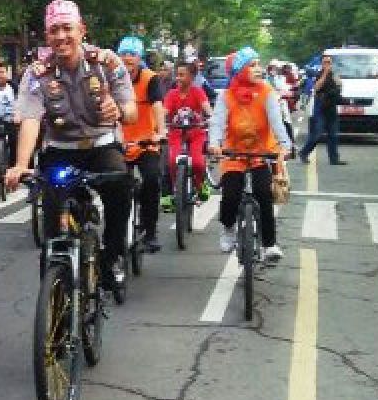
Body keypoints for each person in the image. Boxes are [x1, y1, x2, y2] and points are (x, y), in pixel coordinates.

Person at [4, 0, 137, 290]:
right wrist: (21, 165)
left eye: (67, 29)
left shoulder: (107, 63)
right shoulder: (37, 72)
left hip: (101, 144)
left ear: (82, 30)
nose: (61, 36)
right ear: (47, 35)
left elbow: (131, 110)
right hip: (60, 151)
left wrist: (119, 111)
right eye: (54, 30)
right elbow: (30, 119)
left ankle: (113, 257)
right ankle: (56, 300)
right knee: (52, 232)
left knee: (121, 188)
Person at [208, 48, 292, 262]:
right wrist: (214, 143)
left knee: (264, 193)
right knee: (230, 195)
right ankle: (228, 228)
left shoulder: (267, 93)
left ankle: (269, 244)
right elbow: (217, 122)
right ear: (239, 71)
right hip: (233, 153)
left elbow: (276, 121)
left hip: (262, 152)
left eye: (258, 64)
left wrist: (285, 144)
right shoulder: (226, 97)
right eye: (252, 65)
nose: (258, 69)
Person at [117, 36, 167, 252]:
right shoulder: (113, 77)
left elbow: (157, 105)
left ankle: (151, 231)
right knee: (115, 186)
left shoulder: (150, 79)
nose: (128, 58)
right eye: (124, 53)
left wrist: (161, 131)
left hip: (147, 141)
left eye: (133, 54)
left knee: (152, 179)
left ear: (139, 58)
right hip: (120, 142)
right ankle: (116, 231)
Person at [163, 59, 213, 208]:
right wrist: (161, 125)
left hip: (196, 132)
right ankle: (175, 190)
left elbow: (207, 109)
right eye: (177, 75)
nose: (178, 78)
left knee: (198, 162)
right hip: (176, 133)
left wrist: (211, 118)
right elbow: (164, 111)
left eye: (182, 75)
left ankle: (200, 186)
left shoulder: (198, 92)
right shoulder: (172, 94)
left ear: (192, 77)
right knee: (172, 161)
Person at [299, 53, 345, 165]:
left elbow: (340, 85)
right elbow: (316, 87)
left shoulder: (334, 74)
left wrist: (336, 78)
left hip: (331, 107)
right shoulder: (319, 74)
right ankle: (304, 152)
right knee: (317, 134)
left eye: (329, 62)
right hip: (320, 107)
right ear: (322, 63)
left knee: (333, 135)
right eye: (325, 62)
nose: (327, 64)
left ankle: (334, 159)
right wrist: (324, 73)